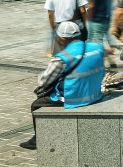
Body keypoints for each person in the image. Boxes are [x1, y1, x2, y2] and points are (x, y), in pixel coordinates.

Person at [21, 21, 106, 150]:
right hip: (95, 93)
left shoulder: (62, 58)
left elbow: (43, 81)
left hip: (75, 98)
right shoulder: (97, 48)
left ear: (61, 38)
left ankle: (38, 139)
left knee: (37, 104)